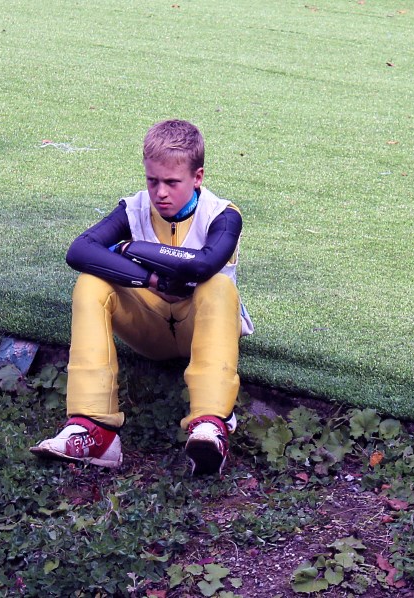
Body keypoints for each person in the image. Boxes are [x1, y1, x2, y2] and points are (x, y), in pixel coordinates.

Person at [30, 119, 254, 476]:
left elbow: (203, 265)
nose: (160, 192)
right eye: (153, 181)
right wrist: (149, 278)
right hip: (149, 328)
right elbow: (79, 251)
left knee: (218, 284)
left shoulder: (223, 214)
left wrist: (130, 248)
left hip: (204, 325)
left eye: (172, 182)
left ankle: (210, 424)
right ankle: (95, 430)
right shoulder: (133, 208)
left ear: (197, 177)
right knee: (92, 282)